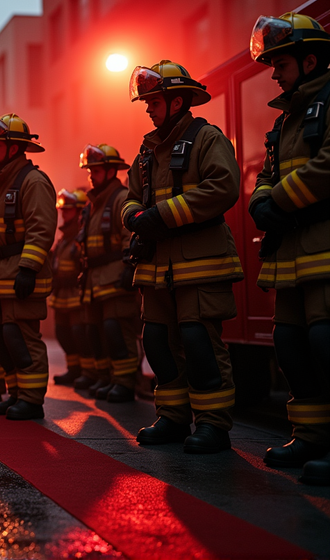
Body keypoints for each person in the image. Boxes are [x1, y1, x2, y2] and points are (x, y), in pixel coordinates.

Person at [124, 60, 242, 453]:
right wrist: (137, 218)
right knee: (156, 341)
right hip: (157, 266)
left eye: (153, 101)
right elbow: (130, 200)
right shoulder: (146, 150)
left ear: (176, 102)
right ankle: (173, 417)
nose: (147, 108)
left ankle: (212, 425)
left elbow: (223, 187)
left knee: (198, 341)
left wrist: (162, 215)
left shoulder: (207, 138)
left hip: (199, 261)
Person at [249, 13, 330, 483]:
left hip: (323, 248)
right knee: (291, 344)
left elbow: (327, 165)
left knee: (326, 342)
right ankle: (311, 437)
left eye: (280, 63)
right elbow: (265, 172)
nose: (274, 73)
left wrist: (275, 201)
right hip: (292, 256)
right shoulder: (286, 119)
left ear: (311, 59)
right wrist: (262, 202)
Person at [0, 113, 56, 420]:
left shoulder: (33, 182)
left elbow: (41, 229)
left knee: (20, 338)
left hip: (18, 273)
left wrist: (28, 268)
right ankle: (16, 392)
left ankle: (31, 399)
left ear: (14, 148)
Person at [77, 144, 141, 403]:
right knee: (96, 331)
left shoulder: (120, 197)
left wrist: (129, 267)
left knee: (116, 329)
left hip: (115, 276)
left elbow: (131, 235)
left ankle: (124, 382)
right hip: (95, 280)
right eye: (89, 170)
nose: (91, 174)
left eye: (97, 170)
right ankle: (106, 378)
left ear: (112, 170)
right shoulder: (94, 203)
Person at [49, 189, 87, 388]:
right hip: (61, 295)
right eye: (63, 211)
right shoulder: (64, 238)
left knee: (80, 334)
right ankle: (73, 369)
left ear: (80, 212)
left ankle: (87, 372)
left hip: (76, 294)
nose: (64, 214)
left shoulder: (80, 237)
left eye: (68, 211)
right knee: (62, 333)